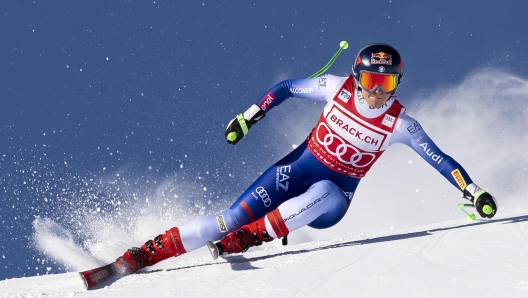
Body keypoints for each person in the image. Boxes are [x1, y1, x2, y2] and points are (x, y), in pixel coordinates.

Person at [115, 43, 498, 273]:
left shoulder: (401, 124)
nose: (378, 93)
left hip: (333, 199)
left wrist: (474, 191)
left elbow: (442, 160)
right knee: (229, 218)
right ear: (357, 78)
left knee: (327, 190)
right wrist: (248, 118)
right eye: (370, 82)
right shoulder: (335, 88)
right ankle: (146, 253)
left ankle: (252, 237)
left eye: (387, 84)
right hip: (295, 170)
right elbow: (286, 88)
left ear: (397, 83)